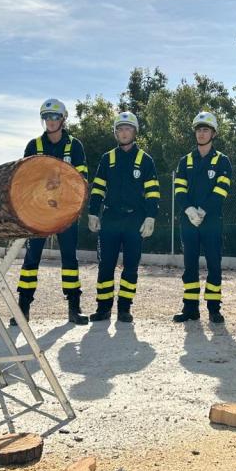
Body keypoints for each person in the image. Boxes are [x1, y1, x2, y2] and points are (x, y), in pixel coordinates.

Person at [15, 98, 89, 326]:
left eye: (55, 116)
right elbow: (25, 178)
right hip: (38, 212)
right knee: (31, 258)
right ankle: (23, 308)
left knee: (69, 258)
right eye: (46, 117)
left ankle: (74, 308)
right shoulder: (33, 145)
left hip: (65, 211)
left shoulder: (74, 146)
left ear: (63, 119)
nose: (50, 121)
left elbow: (80, 179)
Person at [87, 112, 160, 322]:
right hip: (110, 218)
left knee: (131, 266)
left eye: (128, 129)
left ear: (135, 132)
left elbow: (153, 192)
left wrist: (151, 217)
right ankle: (103, 308)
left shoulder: (145, 160)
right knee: (105, 265)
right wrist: (93, 212)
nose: (124, 132)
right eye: (120, 129)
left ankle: (124, 309)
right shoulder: (107, 158)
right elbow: (98, 189)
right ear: (116, 133)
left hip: (134, 220)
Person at [172, 112, 233, 324]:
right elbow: (179, 189)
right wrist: (189, 210)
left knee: (214, 264)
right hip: (188, 221)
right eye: (198, 129)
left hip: (212, 221)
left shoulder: (222, 161)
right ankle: (190, 309)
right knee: (190, 265)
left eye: (206, 129)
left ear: (213, 133)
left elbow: (221, 190)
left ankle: (214, 309)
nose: (201, 133)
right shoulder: (185, 161)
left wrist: (203, 210)